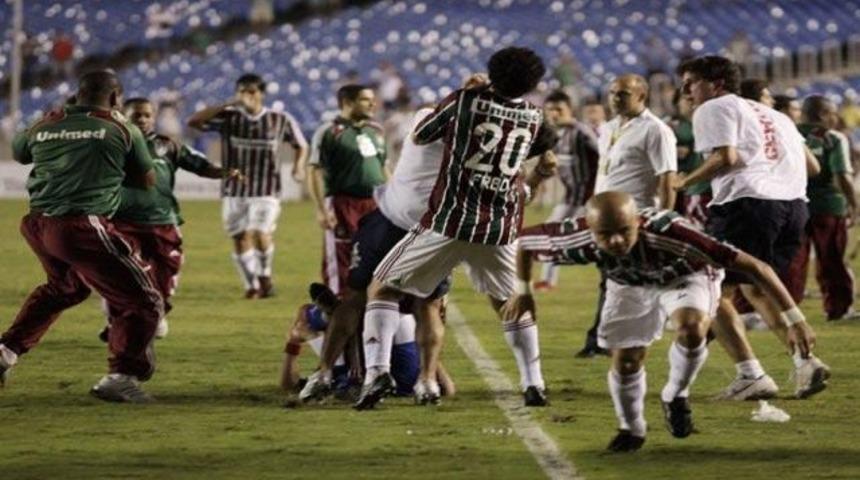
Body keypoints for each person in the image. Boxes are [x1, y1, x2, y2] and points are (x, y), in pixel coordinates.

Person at [505, 191, 815, 452]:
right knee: (626, 360)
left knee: (691, 327)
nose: (615, 241)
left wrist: (794, 319)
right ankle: (632, 428)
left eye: (624, 231)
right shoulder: (574, 237)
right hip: (628, 281)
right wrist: (524, 293)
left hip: (686, 274)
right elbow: (523, 243)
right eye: (604, 234)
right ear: (590, 228)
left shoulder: (674, 235)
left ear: (637, 222)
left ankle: (675, 394)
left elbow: (757, 267)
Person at [354, 47, 559, 410]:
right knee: (508, 302)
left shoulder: (464, 101)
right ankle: (534, 383)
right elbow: (546, 141)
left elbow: (421, 135)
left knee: (381, 287)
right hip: (500, 225)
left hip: (451, 220)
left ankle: (377, 372)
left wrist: (470, 100)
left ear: (492, 72)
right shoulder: (533, 115)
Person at [0, 71, 163, 403]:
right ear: (116, 97)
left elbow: (19, 151)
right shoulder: (121, 128)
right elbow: (147, 179)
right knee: (144, 300)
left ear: (77, 95)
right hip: (81, 225)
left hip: (38, 223)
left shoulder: (45, 124)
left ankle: (4, 353)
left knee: (65, 288)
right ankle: (121, 376)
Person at [676, 55, 829, 399]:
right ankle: (806, 362)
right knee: (757, 289)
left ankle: (750, 374)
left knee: (709, 288)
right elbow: (812, 166)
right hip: (793, 207)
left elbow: (725, 158)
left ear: (715, 84)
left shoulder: (713, 108)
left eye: (691, 82)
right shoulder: (776, 115)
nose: (685, 90)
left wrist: (683, 182)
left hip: (748, 204)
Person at [98, 97, 242, 341]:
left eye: (146, 115)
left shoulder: (168, 146)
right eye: (137, 115)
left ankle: (157, 312)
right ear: (123, 116)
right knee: (122, 275)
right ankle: (117, 323)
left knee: (165, 275)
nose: (142, 119)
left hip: (163, 221)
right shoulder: (112, 145)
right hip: (122, 222)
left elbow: (199, 165)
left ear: (153, 117)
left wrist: (225, 172)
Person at [577, 74, 678, 358]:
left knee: (624, 279)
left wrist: (663, 219)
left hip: (635, 217)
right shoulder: (608, 128)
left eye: (622, 94)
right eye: (611, 93)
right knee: (613, 277)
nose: (614, 98)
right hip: (604, 216)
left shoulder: (656, 130)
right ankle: (606, 339)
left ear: (641, 96)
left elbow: (667, 178)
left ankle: (604, 341)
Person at [187, 73, 308, 299]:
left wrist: (298, 167)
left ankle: (265, 275)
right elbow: (193, 122)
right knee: (240, 237)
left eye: (251, 91)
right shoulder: (228, 117)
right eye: (242, 91)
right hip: (234, 189)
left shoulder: (280, 119)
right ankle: (251, 285)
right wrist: (228, 104)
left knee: (260, 233)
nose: (246, 96)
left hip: (267, 188)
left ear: (261, 94)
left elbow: (301, 145)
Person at [307, 85, 388, 296]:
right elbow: (314, 171)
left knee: (375, 257)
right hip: (343, 203)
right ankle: (336, 312)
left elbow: (385, 168)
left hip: (375, 205)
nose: (373, 103)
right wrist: (321, 210)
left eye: (373, 99)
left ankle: (364, 314)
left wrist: (395, 202)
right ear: (348, 102)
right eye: (365, 100)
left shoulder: (376, 131)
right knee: (341, 260)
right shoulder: (329, 132)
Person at [790, 96, 858, 320]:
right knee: (832, 259)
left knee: (794, 261)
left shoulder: (788, 133)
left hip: (794, 205)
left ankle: (789, 312)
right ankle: (838, 309)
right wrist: (855, 203)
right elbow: (841, 176)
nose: (835, 117)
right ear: (822, 114)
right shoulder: (833, 138)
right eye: (831, 112)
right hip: (829, 206)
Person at [534, 90, 599, 291]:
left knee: (589, 239)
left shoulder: (581, 132)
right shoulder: (554, 135)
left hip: (590, 198)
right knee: (552, 233)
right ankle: (548, 280)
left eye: (559, 109)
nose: (554, 113)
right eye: (550, 109)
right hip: (571, 197)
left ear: (570, 110)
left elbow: (604, 153)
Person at [669, 89, 711, 227]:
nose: (690, 102)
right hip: (682, 182)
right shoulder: (670, 124)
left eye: (691, 98)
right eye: (685, 99)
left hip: (705, 182)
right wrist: (673, 151)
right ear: (677, 102)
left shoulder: (706, 120)